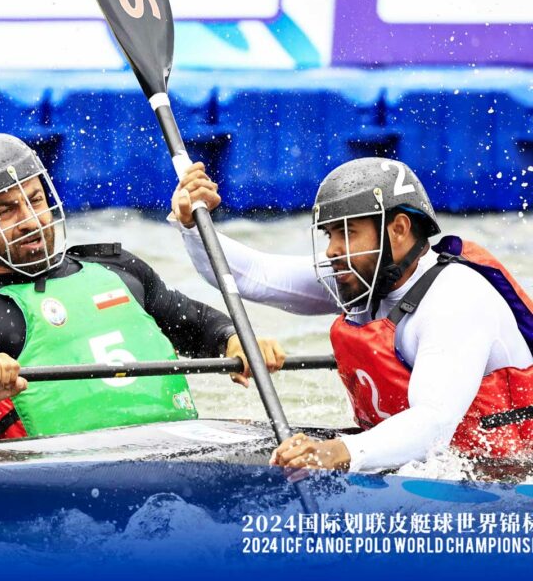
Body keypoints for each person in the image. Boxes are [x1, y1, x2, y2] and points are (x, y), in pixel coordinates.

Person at [0, 133, 285, 445]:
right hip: (57, 484)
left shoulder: (118, 269)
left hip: (175, 454)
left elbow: (198, 324)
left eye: (35, 200)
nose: (30, 220)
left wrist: (236, 341)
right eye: (5, 211)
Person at [171, 157, 533, 472]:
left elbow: (433, 424)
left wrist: (338, 452)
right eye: (329, 235)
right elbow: (252, 276)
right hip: (421, 466)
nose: (332, 251)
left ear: (399, 229)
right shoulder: (365, 278)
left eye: (347, 233)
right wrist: (192, 224)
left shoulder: (456, 297)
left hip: (504, 475)